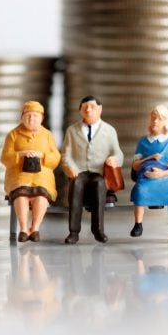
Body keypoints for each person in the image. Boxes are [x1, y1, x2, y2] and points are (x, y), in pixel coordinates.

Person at [61, 95, 123, 244]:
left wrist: (114, 159)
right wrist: (70, 167)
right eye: (85, 107)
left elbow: (118, 153)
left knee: (99, 184)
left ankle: (98, 229)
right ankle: (73, 232)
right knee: (76, 184)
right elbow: (65, 155)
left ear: (100, 109)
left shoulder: (109, 131)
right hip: (80, 172)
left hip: (98, 173)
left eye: (92, 107)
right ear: (80, 110)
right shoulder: (72, 130)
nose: (88, 110)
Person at [1, 101, 61, 243]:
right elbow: (5, 158)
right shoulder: (13, 135)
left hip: (42, 177)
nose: (31, 119)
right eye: (28, 116)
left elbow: (56, 158)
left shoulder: (47, 135)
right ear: (21, 117)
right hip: (19, 176)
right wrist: (20, 155)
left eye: (35, 116)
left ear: (41, 118)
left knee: (41, 197)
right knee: (21, 196)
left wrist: (42, 156)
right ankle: (23, 228)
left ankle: (34, 228)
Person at [129, 104, 168, 240]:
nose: (155, 121)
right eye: (153, 118)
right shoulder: (143, 142)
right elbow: (135, 165)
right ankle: (138, 224)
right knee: (140, 191)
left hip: (166, 179)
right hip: (146, 178)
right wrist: (149, 159)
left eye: (159, 118)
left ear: (166, 121)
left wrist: (162, 174)